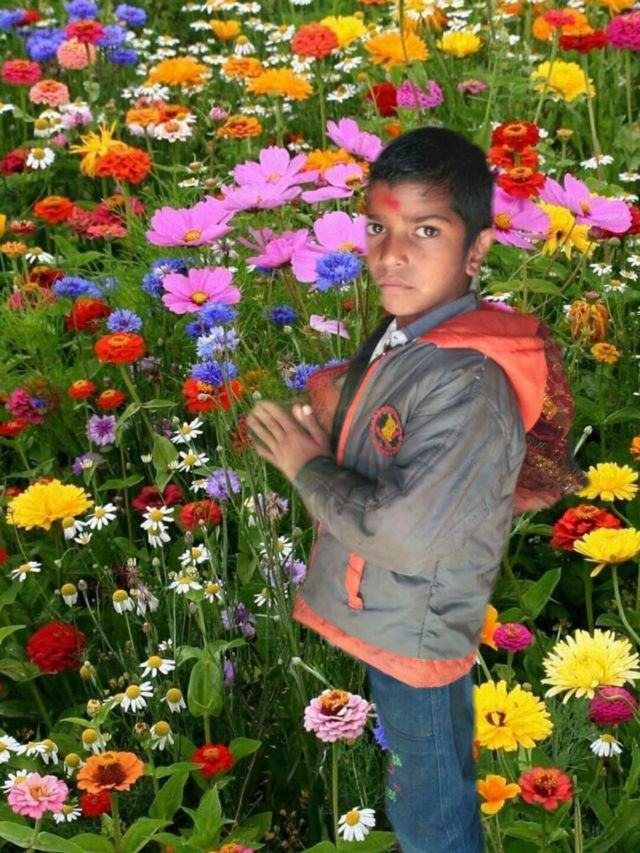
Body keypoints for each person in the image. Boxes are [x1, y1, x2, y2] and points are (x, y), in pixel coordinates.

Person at [246, 126, 571, 852]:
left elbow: (407, 533)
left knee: (431, 808)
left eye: (426, 230)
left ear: (477, 250)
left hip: (417, 620)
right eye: (377, 227)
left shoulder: (469, 378)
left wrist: (306, 464)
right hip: (391, 610)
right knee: (419, 781)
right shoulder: (416, 335)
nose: (390, 254)